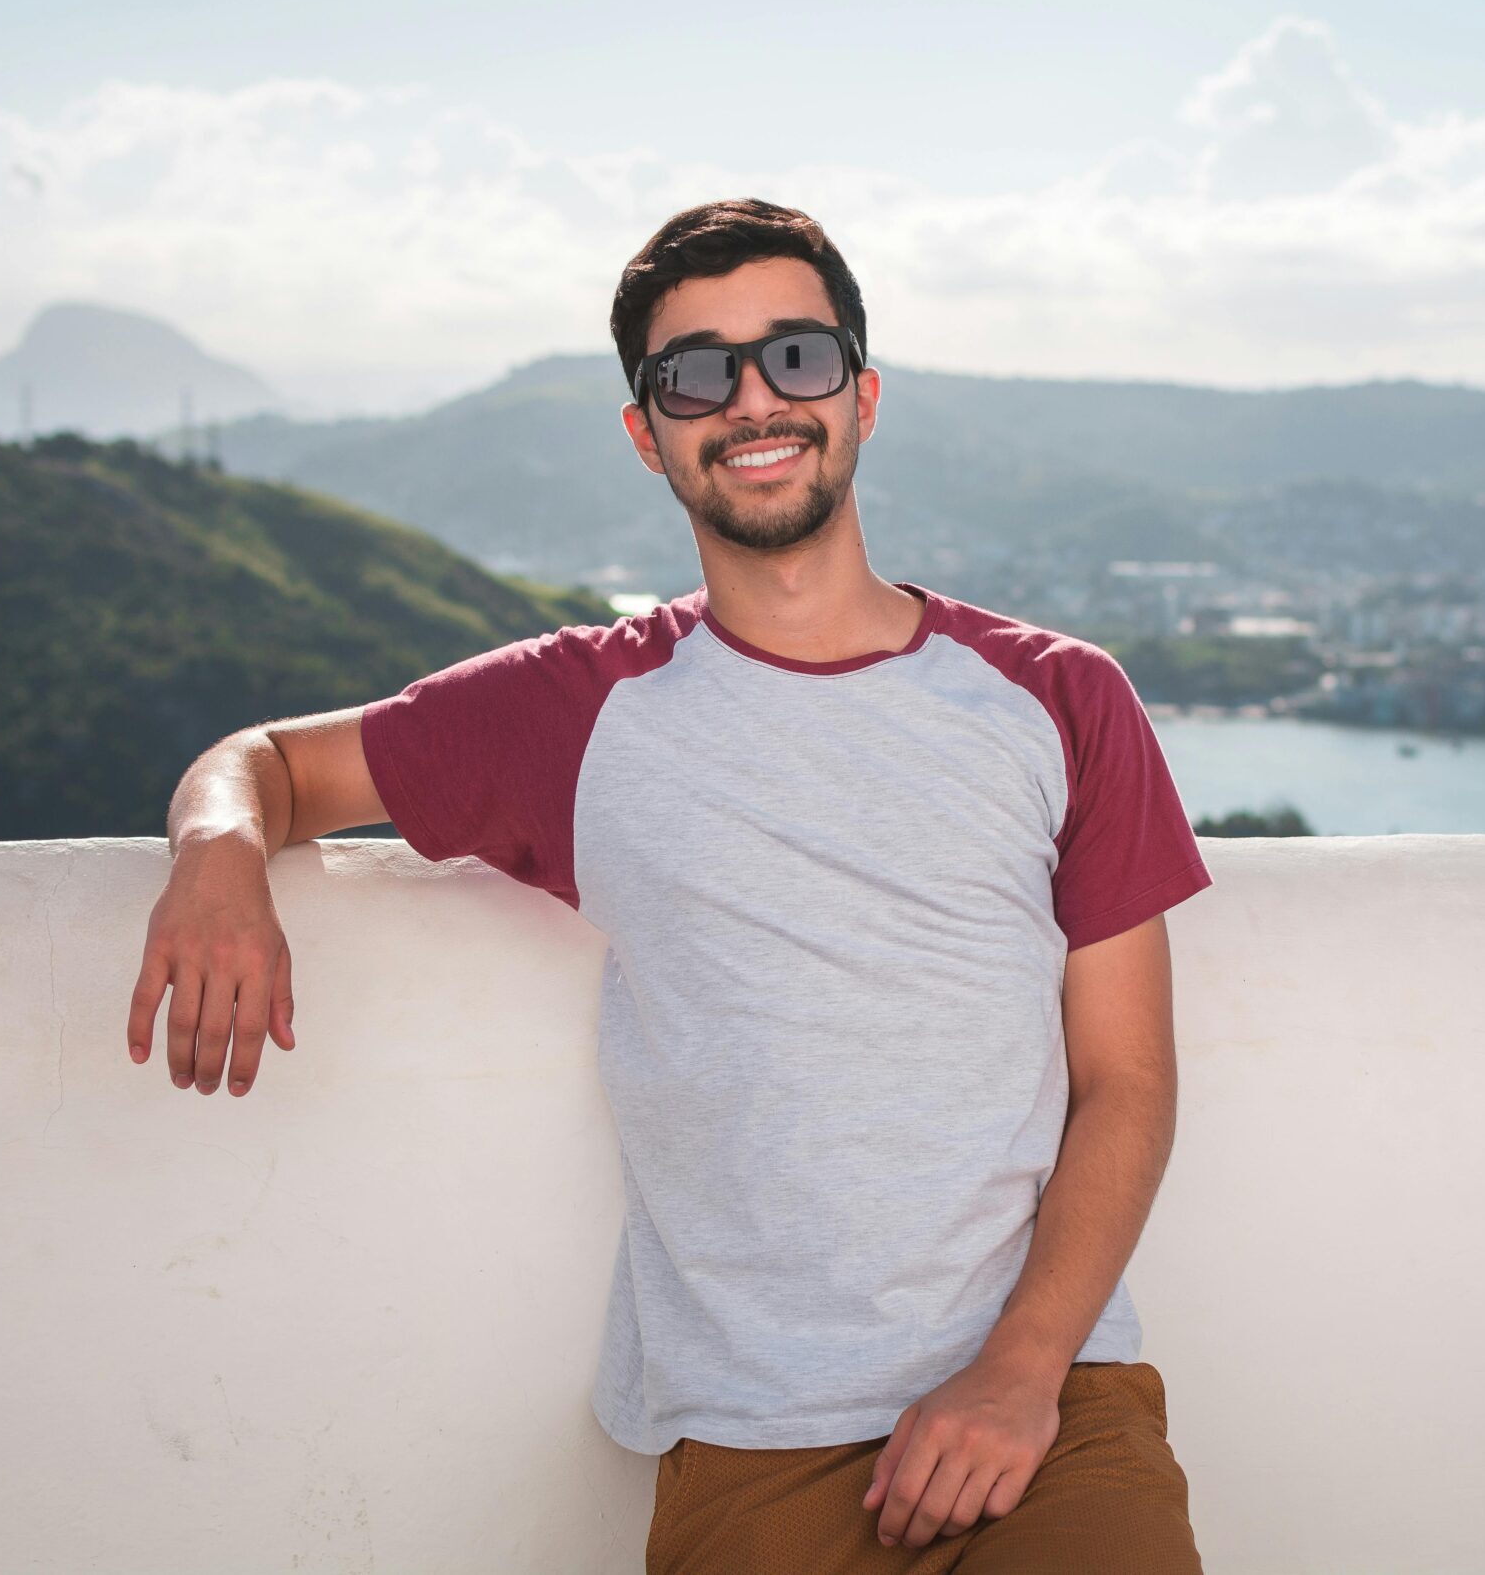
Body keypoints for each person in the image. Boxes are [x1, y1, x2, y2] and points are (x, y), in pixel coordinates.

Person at [129, 197, 1214, 1572]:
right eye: (696, 372)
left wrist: (1018, 1373)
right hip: (752, 1448)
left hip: (1048, 1410)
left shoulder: (1059, 698)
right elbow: (271, 764)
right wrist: (218, 853)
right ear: (651, 434)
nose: (754, 399)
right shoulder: (585, 710)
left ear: (863, 397)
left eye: (798, 358)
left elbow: (1128, 1077)